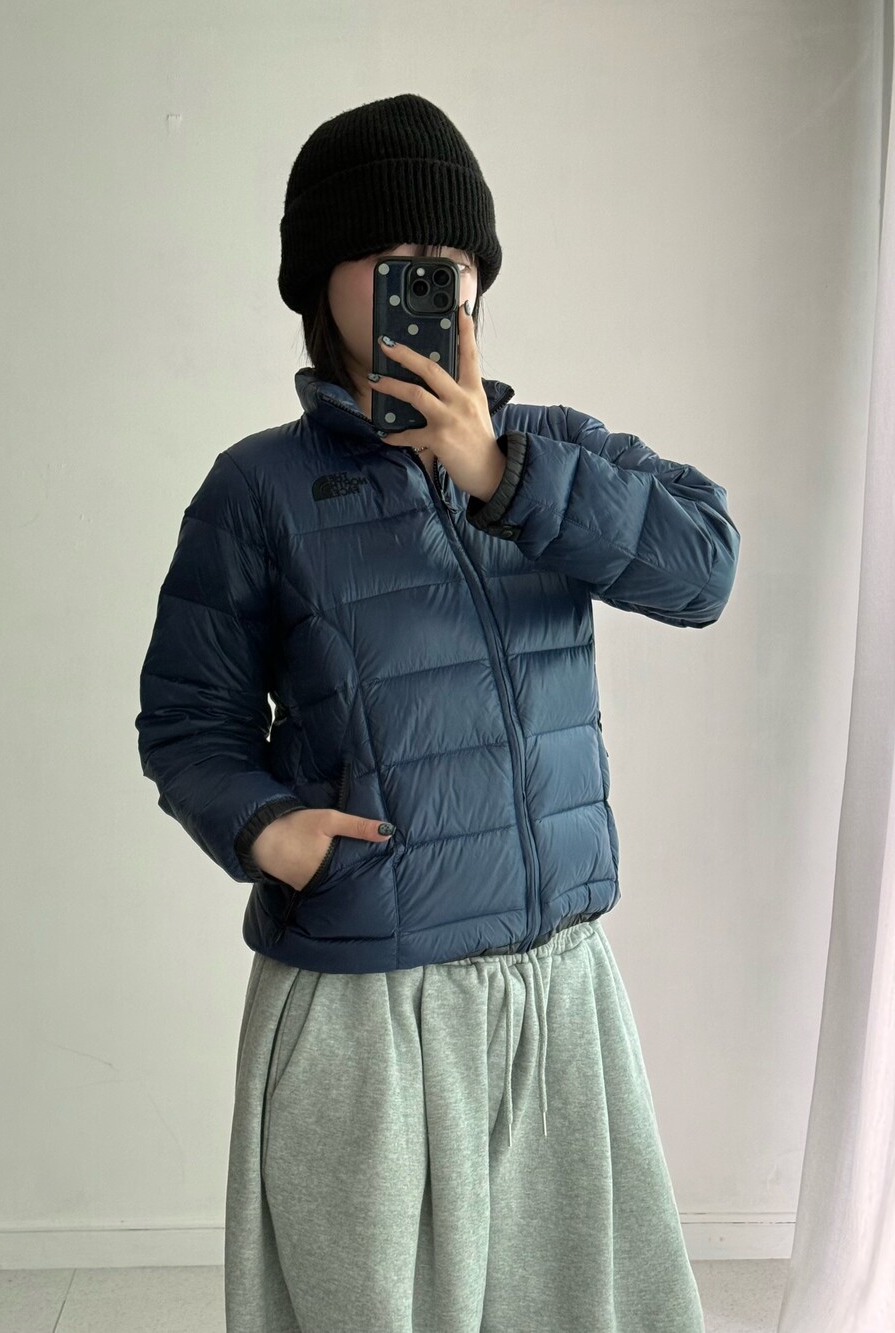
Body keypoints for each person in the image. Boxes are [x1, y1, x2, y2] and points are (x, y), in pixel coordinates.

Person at [136, 92, 740, 1333]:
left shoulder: (547, 450)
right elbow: (187, 716)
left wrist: (498, 474)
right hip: (370, 1003)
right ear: (321, 283)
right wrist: (266, 830)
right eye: (391, 258)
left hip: (556, 993)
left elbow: (704, 569)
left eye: (450, 261)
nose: (428, 284)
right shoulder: (258, 490)